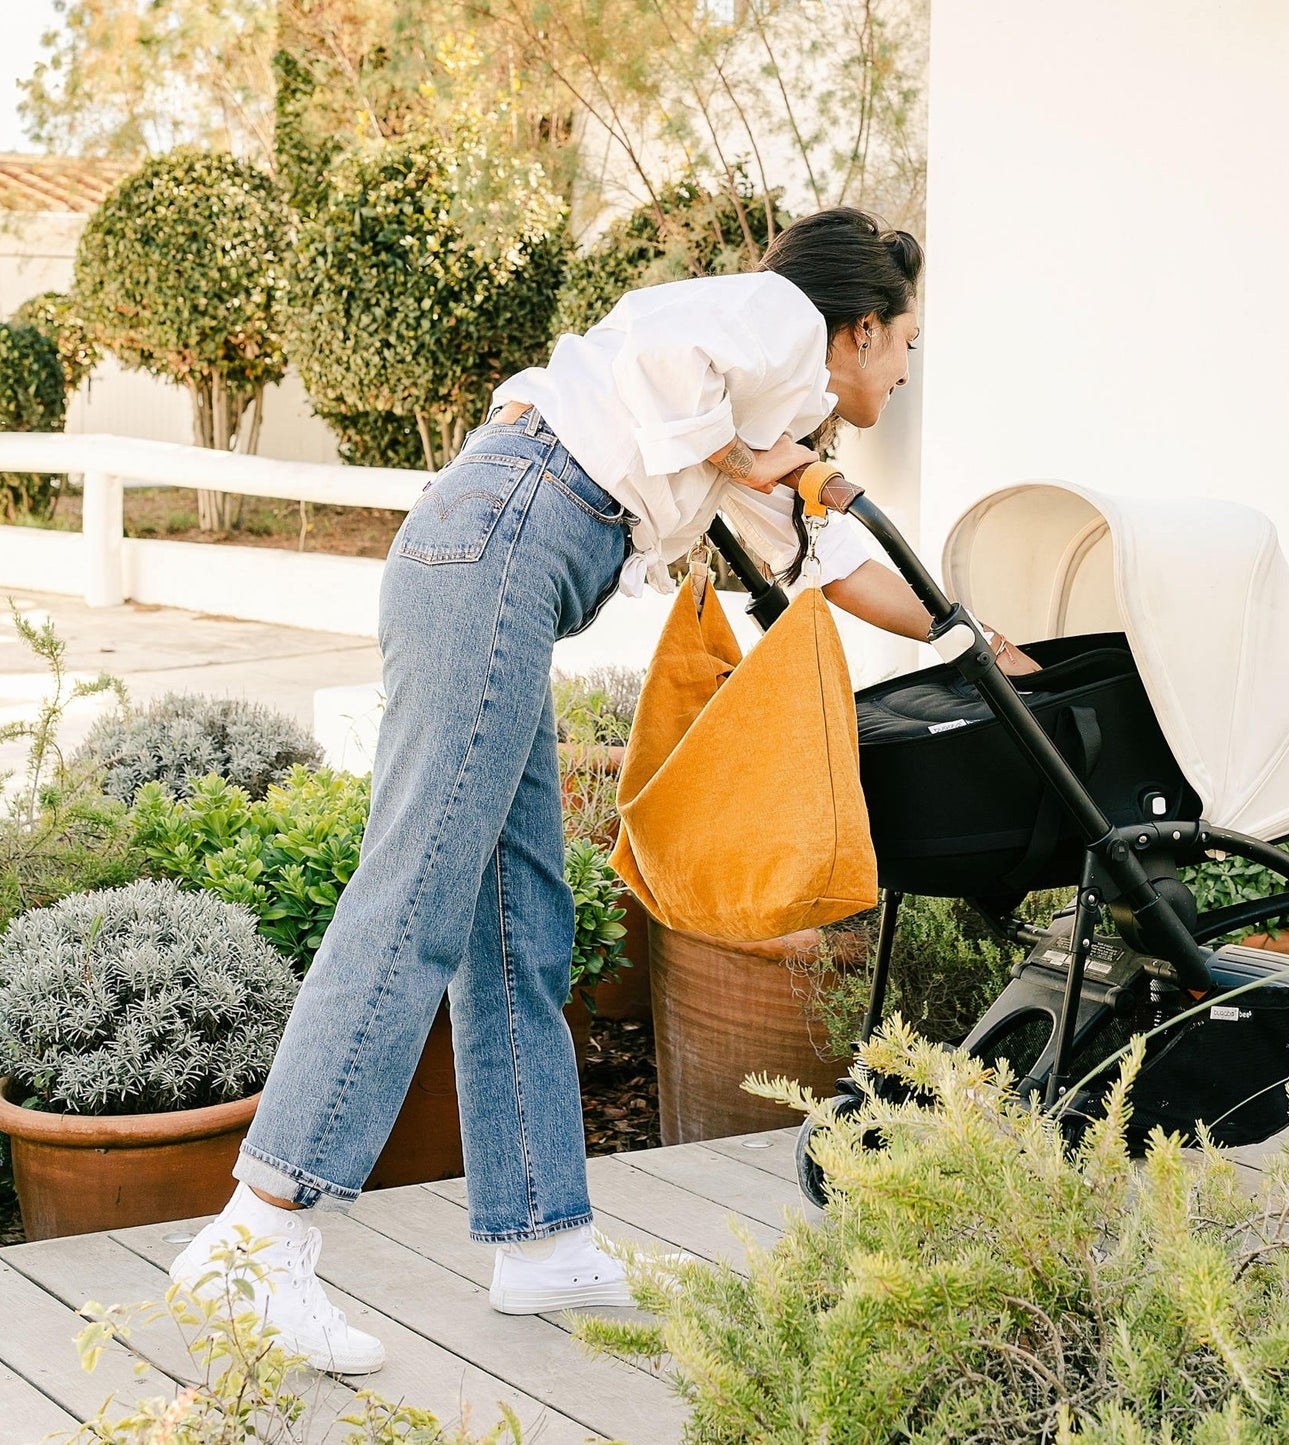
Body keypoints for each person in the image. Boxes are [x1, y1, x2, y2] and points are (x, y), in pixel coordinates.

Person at [169, 206, 1033, 1375]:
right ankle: (257, 1239)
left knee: (515, 911)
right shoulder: (776, 326)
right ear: (859, 326)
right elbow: (653, 349)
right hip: (503, 545)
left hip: (500, 560)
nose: (904, 366)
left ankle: (541, 1238)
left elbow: (824, 564)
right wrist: (746, 453)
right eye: (903, 342)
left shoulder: (759, 408)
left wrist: (960, 631)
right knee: (419, 889)